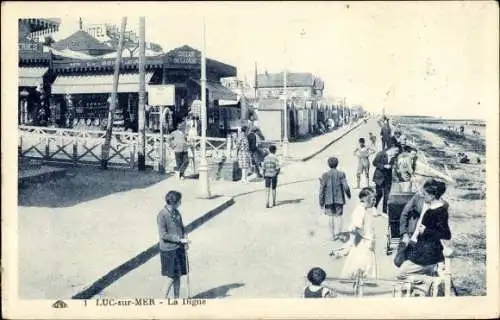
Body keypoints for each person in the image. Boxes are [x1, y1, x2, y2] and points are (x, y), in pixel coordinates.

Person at [397, 179, 451, 278]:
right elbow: (405, 213)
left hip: (427, 253)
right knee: (398, 261)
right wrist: (406, 235)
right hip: (422, 246)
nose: (423, 196)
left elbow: (446, 234)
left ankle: (426, 280)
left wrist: (426, 231)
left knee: (401, 274)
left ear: (432, 196)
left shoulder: (435, 211)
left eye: (425, 194)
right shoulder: (437, 209)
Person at [334, 187, 381, 280]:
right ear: (365, 199)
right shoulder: (359, 211)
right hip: (362, 246)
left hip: (366, 244)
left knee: (365, 270)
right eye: (373, 199)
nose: (375, 201)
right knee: (362, 268)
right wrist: (368, 240)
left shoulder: (364, 210)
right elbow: (356, 229)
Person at [157, 191, 190, 298]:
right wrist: (179, 239)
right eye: (179, 201)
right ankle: (163, 298)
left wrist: (185, 238)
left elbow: (181, 227)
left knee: (178, 275)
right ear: (174, 202)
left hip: (178, 247)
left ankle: (177, 298)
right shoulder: (162, 215)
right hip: (169, 249)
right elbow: (163, 235)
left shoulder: (177, 212)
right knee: (171, 276)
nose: (181, 202)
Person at [319, 157, 352, 241]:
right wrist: (348, 195)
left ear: (328, 164)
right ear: (337, 164)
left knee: (330, 217)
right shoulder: (341, 174)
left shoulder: (325, 175)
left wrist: (321, 201)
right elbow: (346, 186)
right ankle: (340, 234)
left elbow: (322, 189)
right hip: (339, 198)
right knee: (339, 216)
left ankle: (332, 235)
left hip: (328, 199)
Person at [372, 142, 400, 214]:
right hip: (379, 177)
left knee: (387, 195)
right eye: (396, 151)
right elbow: (374, 163)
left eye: (398, 152)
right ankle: (374, 207)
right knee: (379, 193)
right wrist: (383, 166)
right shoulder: (381, 154)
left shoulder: (394, 157)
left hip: (388, 178)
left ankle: (384, 212)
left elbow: (394, 167)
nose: (397, 153)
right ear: (392, 148)